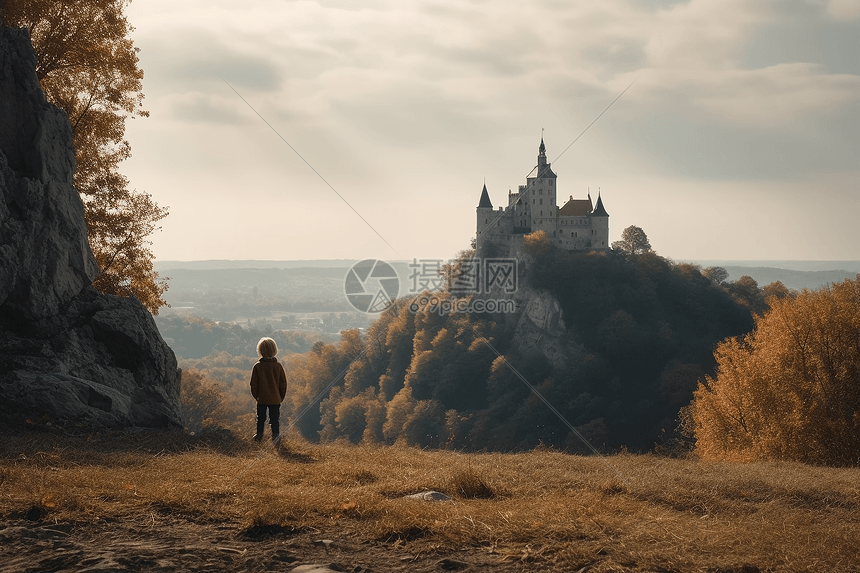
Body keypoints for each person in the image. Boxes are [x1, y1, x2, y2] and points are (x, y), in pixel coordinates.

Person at [249, 337, 288, 443]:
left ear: (260, 350)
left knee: (260, 419)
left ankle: (259, 436)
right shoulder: (278, 366)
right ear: (274, 350)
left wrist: (257, 396)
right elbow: (283, 384)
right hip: (276, 399)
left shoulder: (257, 367)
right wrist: (280, 397)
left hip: (261, 398)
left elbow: (253, 385)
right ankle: (275, 437)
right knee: (275, 419)